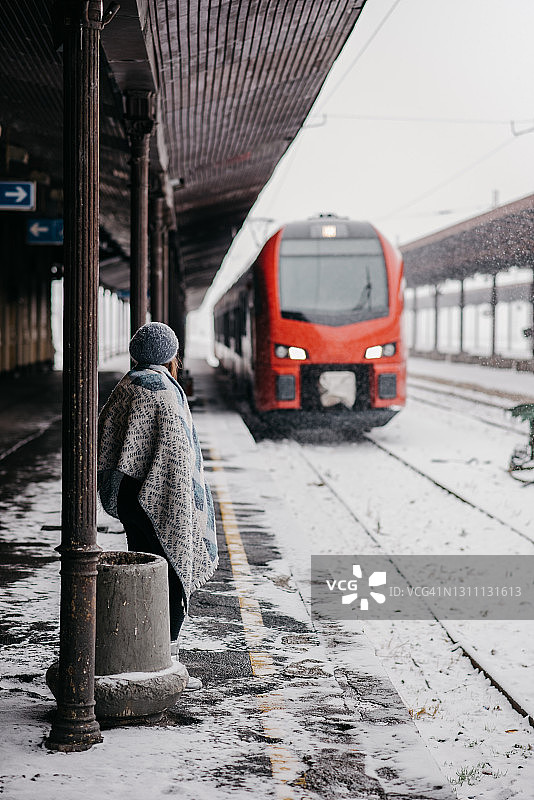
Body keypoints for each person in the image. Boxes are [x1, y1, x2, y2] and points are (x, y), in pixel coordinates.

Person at [97, 322, 218, 687]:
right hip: (159, 501)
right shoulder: (164, 390)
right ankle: (165, 660)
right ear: (170, 356)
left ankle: (147, 653)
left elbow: (108, 437)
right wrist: (183, 507)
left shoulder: (129, 383)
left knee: (145, 572)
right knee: (171, 578)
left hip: (132, 497)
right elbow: (178, 460)